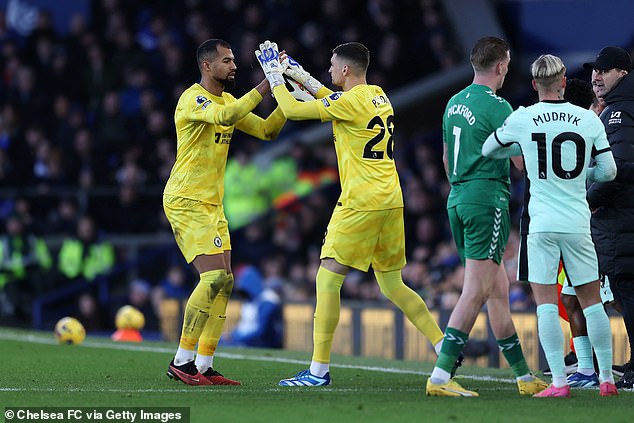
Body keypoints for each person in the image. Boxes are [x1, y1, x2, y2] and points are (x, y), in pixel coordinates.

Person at [255, 40, 459, 387]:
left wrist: (274, 75)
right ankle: (443, 346)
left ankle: (318, 371)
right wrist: (296, 72)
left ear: (346, 70)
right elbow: (327, 98)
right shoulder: (377, 94)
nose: (330, 70)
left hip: (361, 201)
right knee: (393, 284)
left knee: (327, 278)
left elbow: (291, 110)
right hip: (391, 198)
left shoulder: (349, 102)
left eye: (333, 65)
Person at [483, 54, 618, 397]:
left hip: (541, 223)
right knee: (591, 302)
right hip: (577, 220)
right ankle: (606, 379)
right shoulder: (588, 120)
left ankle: (559, 381)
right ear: (562, 83)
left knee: (545, 304)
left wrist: (526, 153)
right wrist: (580, 174)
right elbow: (609, 172)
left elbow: (489, 149)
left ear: (534, 85)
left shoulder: (524, 117)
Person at [425, 36, 546, 397]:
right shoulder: (500, 107)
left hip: (458, 197)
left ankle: (524, 378)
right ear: (501, 65)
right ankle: (440, 376)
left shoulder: (453, 102)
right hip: (486, 199)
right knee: (476, 289)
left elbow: (447, 160)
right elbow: (521, 165)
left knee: (497, 290)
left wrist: (464, 187)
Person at [163, 38, 287, 386]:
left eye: (234, 60)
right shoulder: (193, 99)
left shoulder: (230, 99)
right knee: (213, 277)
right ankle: (181, 361)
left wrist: (284, 94)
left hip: (211, 203)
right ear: (207, 66)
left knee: (226, 281)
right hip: (186, 198)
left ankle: (203, 365)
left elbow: (267, 130)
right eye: (227, 61)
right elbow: (224, 116)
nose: (234, 66)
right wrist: (267, 81)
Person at [583, 46, 634, 390]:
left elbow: (616, 169)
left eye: (605, 70)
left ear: (623, 75)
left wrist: (587, 199)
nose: (596, 76)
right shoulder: (621, 108)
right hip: (625, 217)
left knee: (628, 290)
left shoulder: (618, 113)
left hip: (621, 219)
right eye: (594, 70)